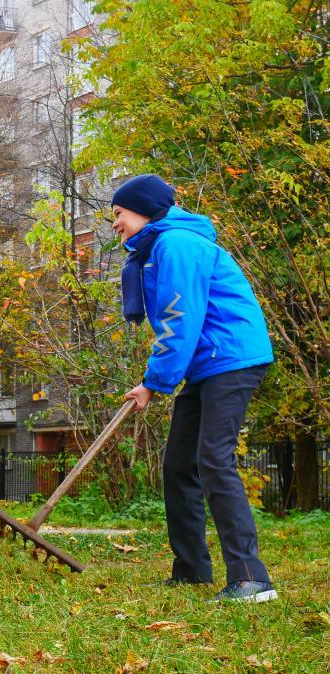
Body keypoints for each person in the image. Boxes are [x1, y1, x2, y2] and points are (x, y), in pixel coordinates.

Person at [114, 174, 276, 603]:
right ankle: (191, 570)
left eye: (119, 214)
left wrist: (154, 382)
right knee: (179, 464)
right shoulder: (163, 245)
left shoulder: (177, 245)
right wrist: (157, 380)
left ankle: (251, 578)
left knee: (213, 458)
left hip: (231, 357)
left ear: (144, 210)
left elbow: (178, 319)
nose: (115, 223)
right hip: (207, 364)